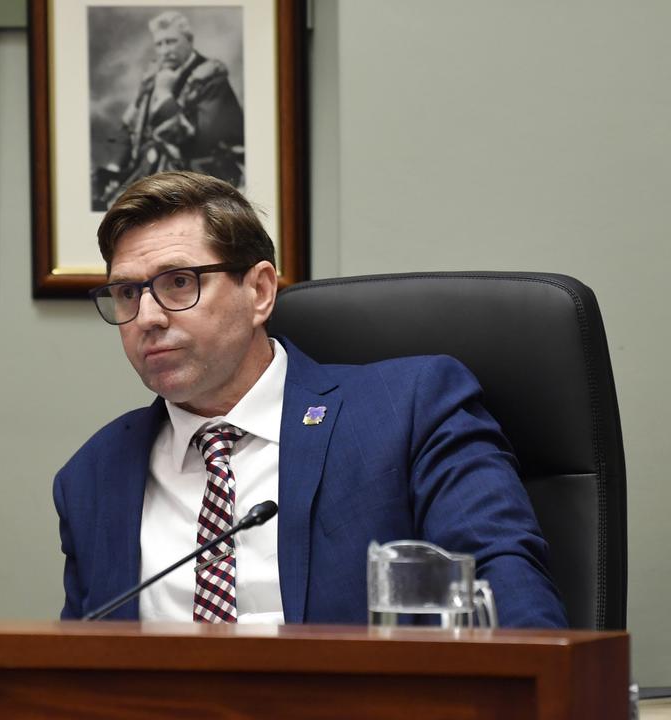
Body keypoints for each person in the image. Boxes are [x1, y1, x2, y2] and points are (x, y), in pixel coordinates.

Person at [55, 171, 566, 627]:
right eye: (126, 293)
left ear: (259, 292)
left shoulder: (409, 411)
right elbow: (80, 675)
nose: (147, 318)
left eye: (179, 282)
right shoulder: (95, 474)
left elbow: (509, 605)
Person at [93, 11, 244, 211]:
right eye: (159, 44)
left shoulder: (212, 77)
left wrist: (165, 96)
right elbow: (130, 126)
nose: (164, 50)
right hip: (148, 173)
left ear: (189, 41)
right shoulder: (152, 77)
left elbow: (200, 143)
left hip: (199, 181)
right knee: (99, 190)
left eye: (171, 42)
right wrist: (116, 166)